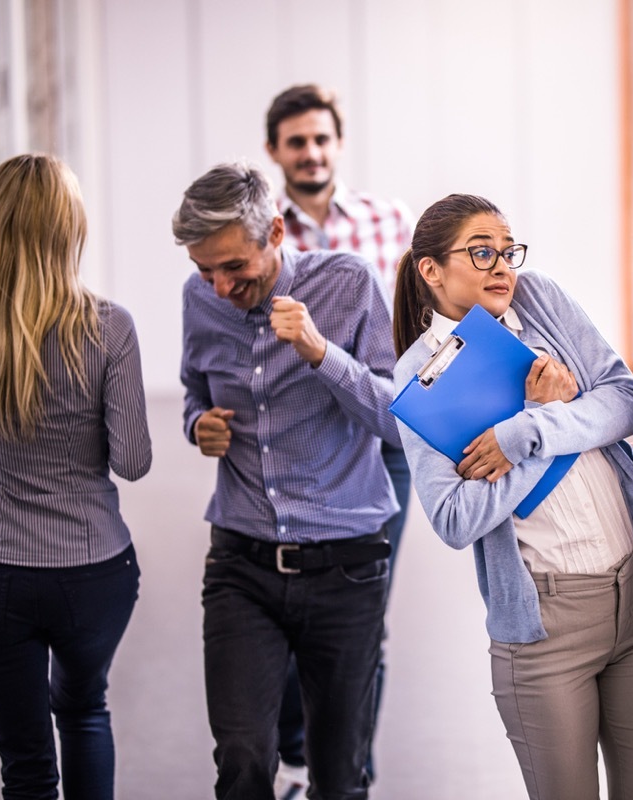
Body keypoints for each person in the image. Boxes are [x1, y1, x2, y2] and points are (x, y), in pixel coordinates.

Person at [392, 193, 633, 799]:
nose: (503, 266)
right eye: (481, 252)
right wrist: (543, 419)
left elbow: (627, 401)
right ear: (431, 270)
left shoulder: (541, 299)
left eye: (507, 250)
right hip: (545, 627)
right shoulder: (419, 377)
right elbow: (453, 518)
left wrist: (530, 430)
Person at [173, 162, 400, 800]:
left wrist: (320, 352)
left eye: (233, 268)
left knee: (338, 775)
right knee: (243, 759)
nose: (218, 287)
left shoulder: (348, 284)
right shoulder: (199, 301)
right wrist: (198, 425)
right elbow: (194, 389)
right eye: (204, 270)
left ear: (275, 231)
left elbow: (395, 420)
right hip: (240, 564)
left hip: (346, 567)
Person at [0, 153, 151, 799]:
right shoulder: (110, 327)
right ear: (69, 226)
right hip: (92, 571)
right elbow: (133, 463)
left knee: (24, 762)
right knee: (84, 711)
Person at [263, 84, 413, 795]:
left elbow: (422, 324)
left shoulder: (389, 222)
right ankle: (298, 753)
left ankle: (351, 765)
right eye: (297, 142)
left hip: (384, 438)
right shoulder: (261, 234)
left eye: (321, 139)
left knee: (364, 612)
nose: (312, 153)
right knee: (295, 608)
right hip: (304, 447)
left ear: (337, 144)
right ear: (275, 152)